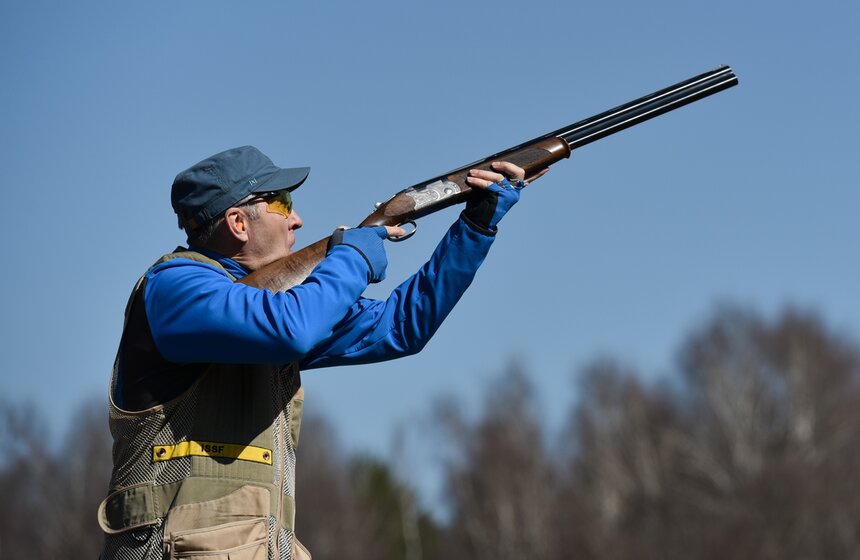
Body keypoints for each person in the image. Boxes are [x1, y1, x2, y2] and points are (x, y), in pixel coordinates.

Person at [98, 145, 546, 560]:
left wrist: (476, 226)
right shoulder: (175, 287)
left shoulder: (276, 305)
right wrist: (351, 259)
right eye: (283, 205)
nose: (297, 220)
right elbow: (291, 328)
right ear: (238, 223)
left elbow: (402, 327)